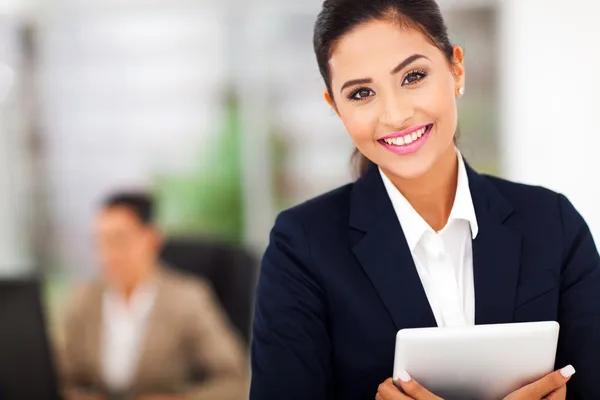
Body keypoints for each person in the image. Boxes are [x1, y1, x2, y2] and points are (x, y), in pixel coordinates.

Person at [249, 1, 600, 399]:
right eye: (362, 93)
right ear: (336, 107)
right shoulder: (302, 246)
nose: (396, 114)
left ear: (457, 70)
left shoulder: (552, 225)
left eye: (413, 76)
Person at [62, 192, 248, 400]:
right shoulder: (84, 299)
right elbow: (63, 380)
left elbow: (235, 381)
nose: (108, 255)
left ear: (151, 239)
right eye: (101, 242)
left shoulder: (188, 298)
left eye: (119, 240)